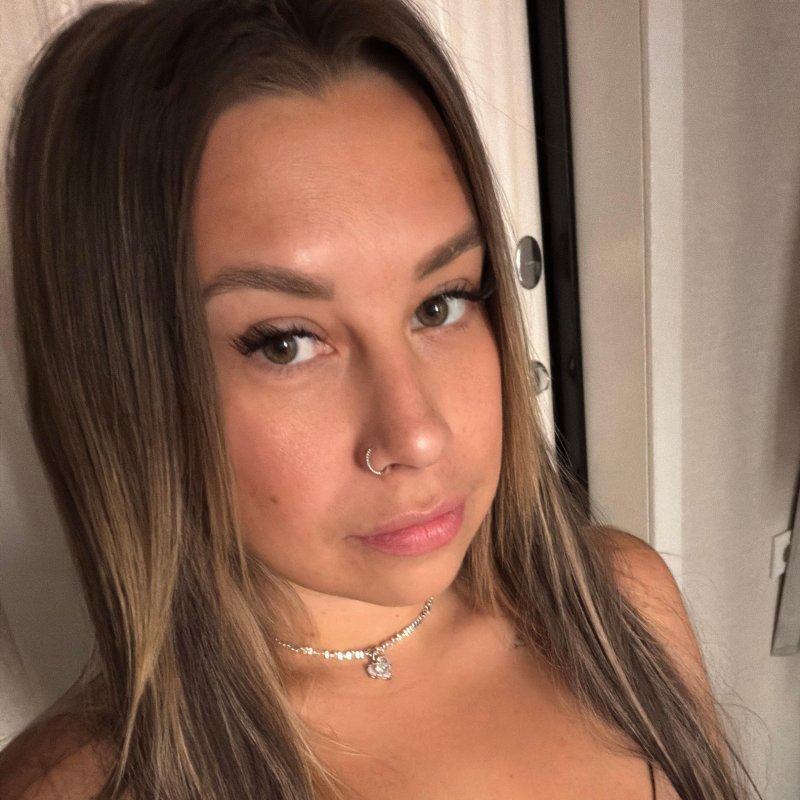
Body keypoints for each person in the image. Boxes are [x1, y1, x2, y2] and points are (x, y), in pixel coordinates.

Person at [0, 1, 753, 798]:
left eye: (441, 303)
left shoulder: (624, 607)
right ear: (127, 385)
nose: (418, 434)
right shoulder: (78, 787)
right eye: (287, 343)